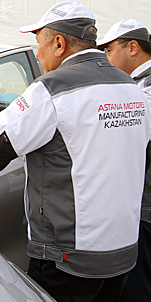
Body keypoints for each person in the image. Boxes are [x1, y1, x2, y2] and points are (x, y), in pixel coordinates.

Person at [0, 1, 151, 302]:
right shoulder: (130, 86)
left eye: (39, 43)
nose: (37, 53)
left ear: (59, 43)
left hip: (68, 256)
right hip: (124, 249)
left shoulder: (52, 87)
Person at [97, 19, 151, 301]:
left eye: (108, 50)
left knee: (136, 287)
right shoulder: (135, 86)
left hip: (144, 206)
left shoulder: (142, 91)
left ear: (132, 47)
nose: (105, 58)